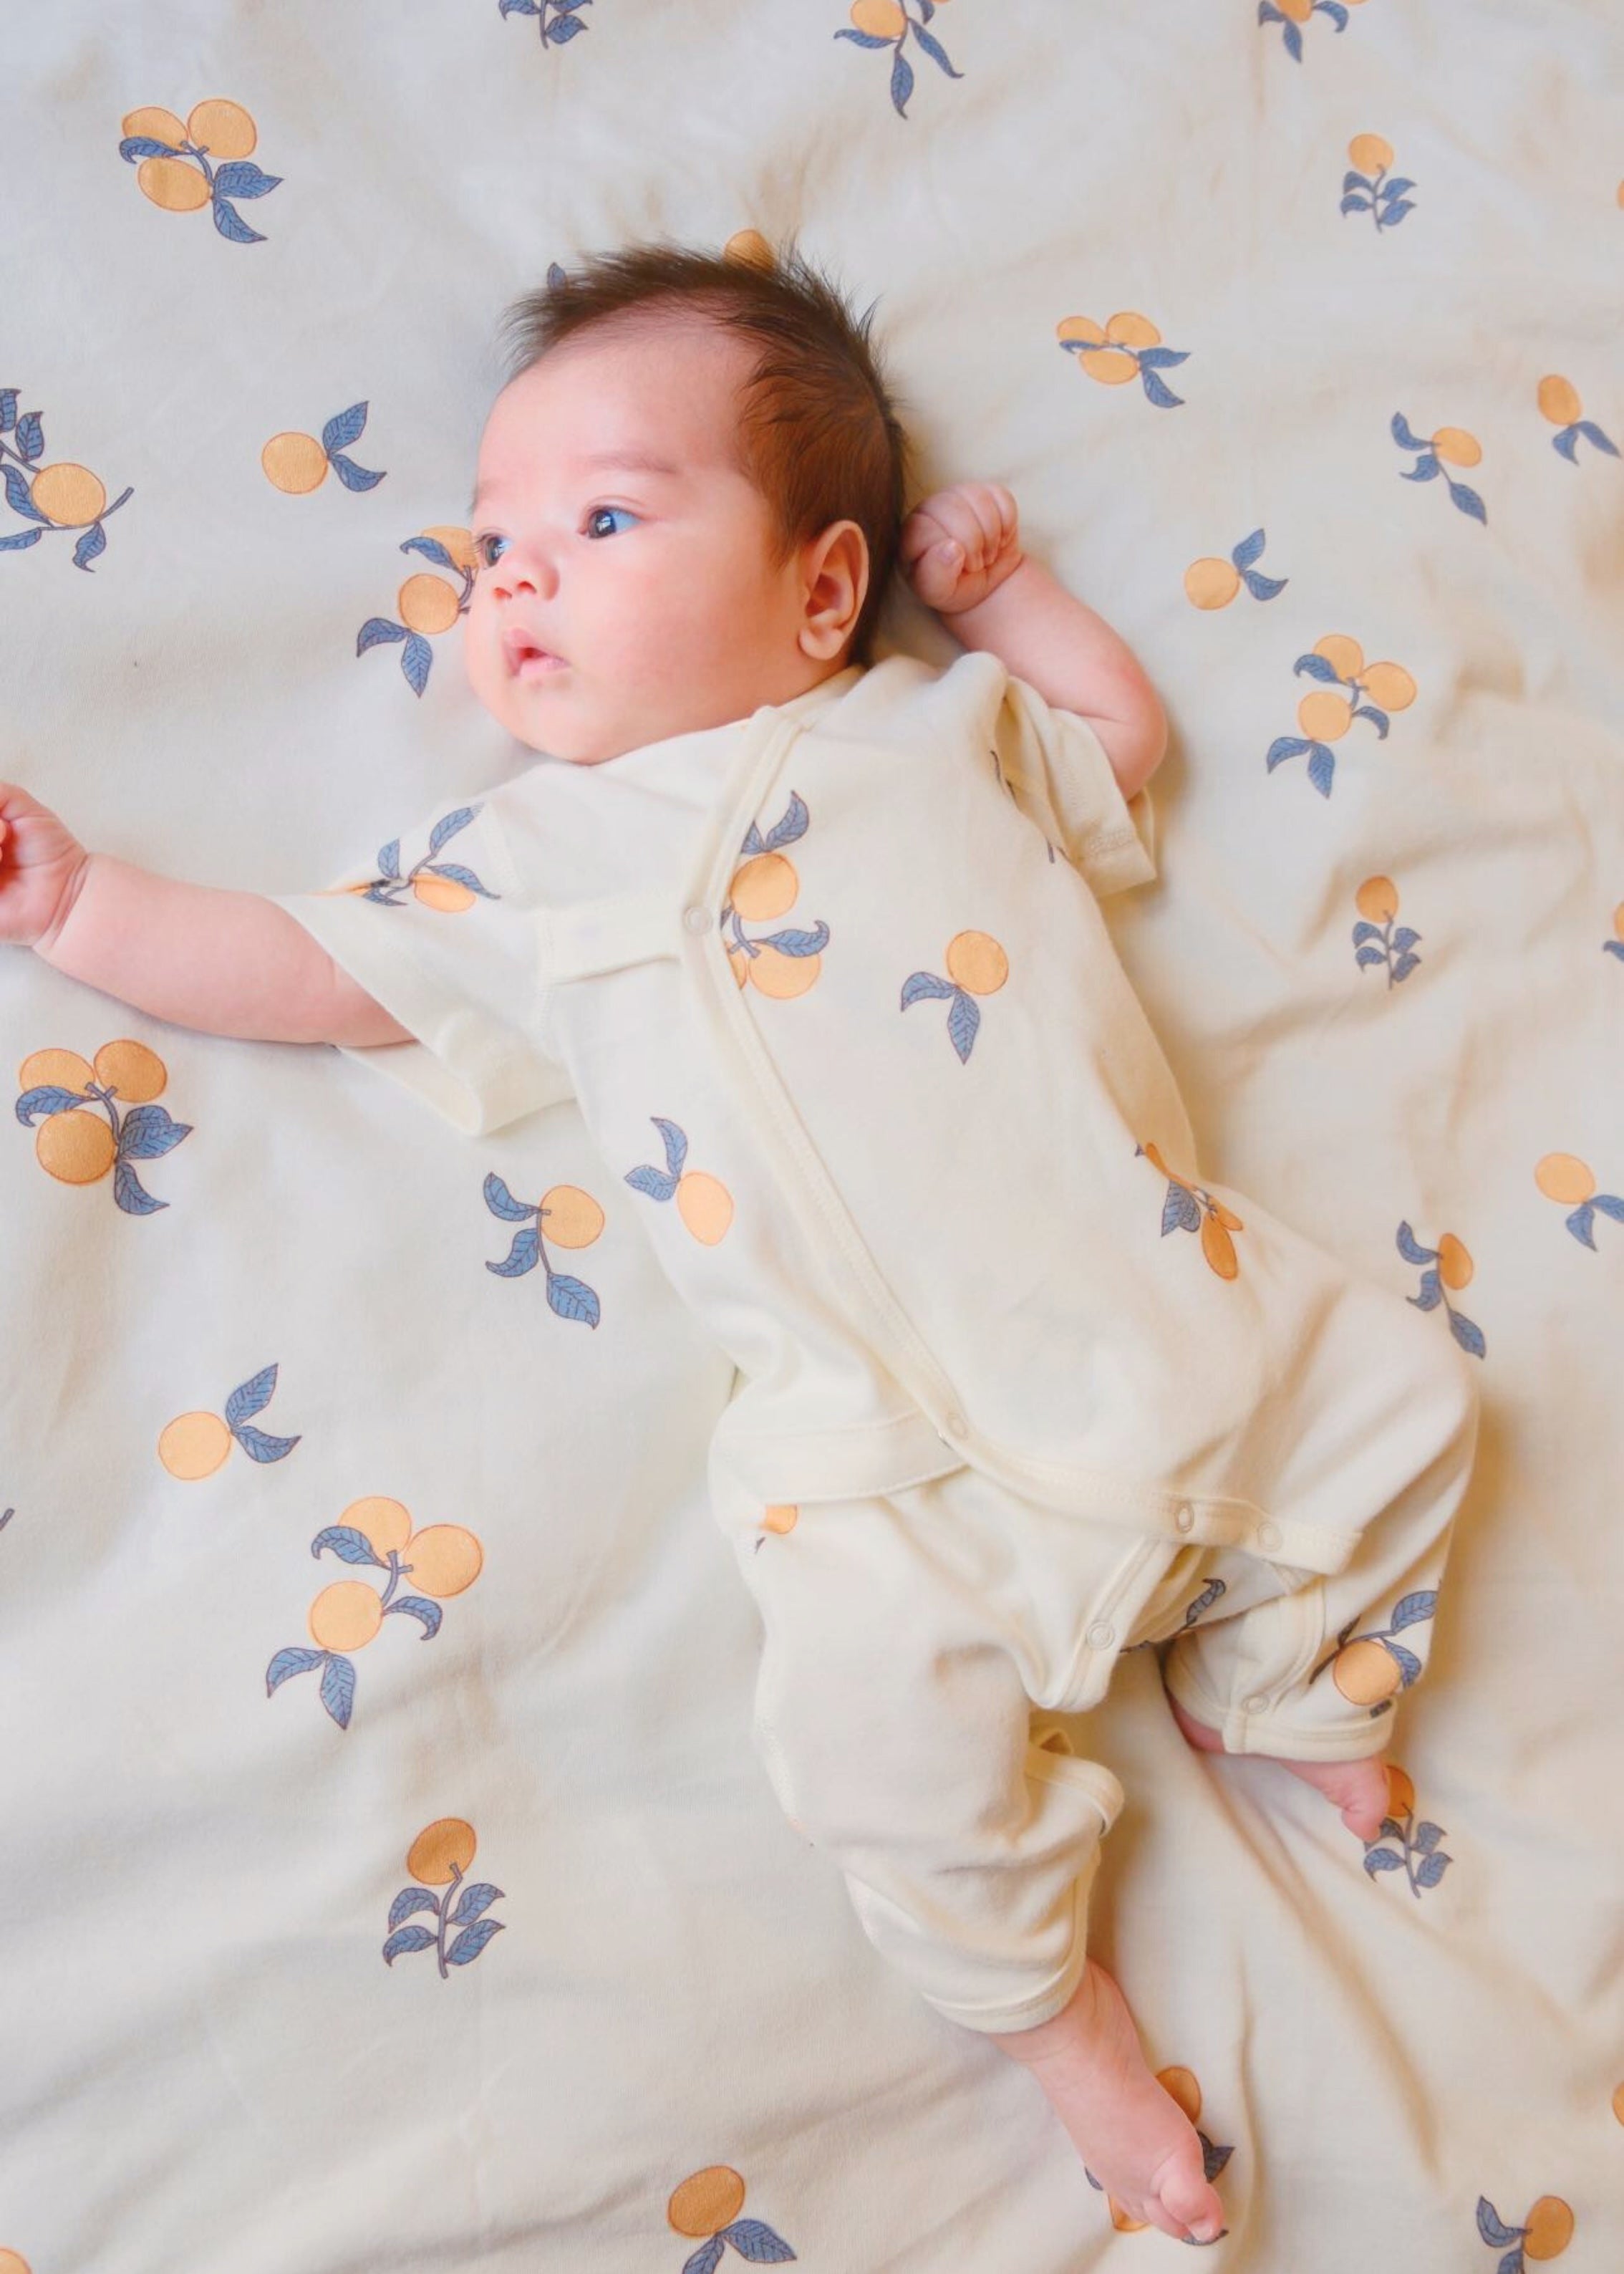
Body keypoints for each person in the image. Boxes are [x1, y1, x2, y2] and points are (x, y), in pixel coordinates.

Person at [0, 240, 1477, 2245]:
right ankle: (1065, 2032)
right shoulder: (527, 862)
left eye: (602, 521)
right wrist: (82, 906)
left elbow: (1115, 735)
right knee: (871, 1755)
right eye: (492, 547)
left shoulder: (936, 733)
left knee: (1402, 1408)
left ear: (821, 591)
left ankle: (1284, 1688)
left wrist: (1004, 600)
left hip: (1153, 1304)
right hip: (871, 1458)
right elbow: (313, 970)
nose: (518, 578)